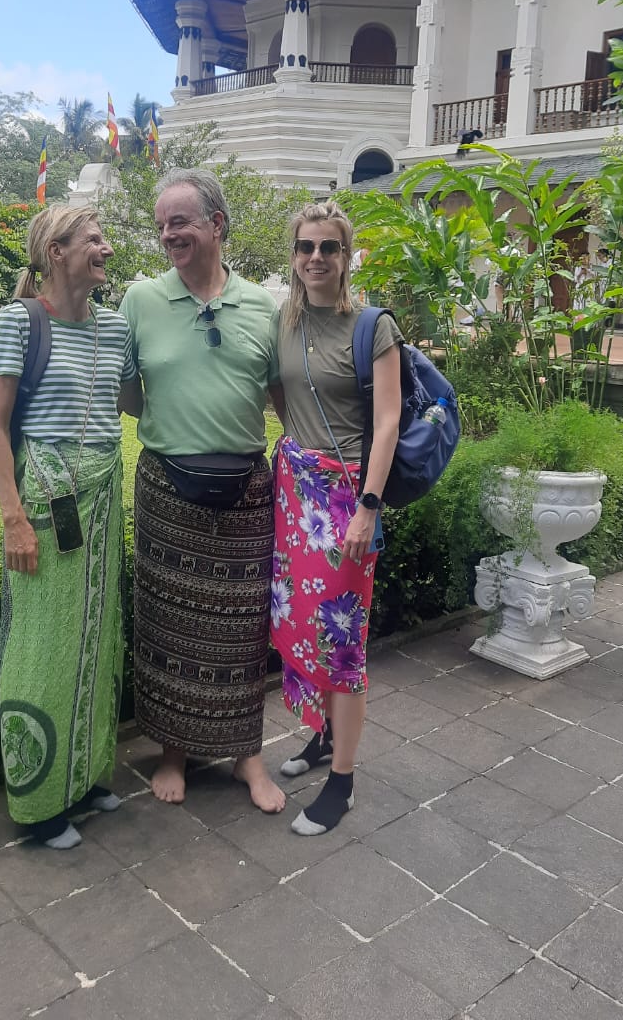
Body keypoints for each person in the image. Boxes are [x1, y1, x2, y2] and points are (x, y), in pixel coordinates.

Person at [119, 169, 286, 813]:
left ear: (217, 224)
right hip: (168, 486)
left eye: (181, 222)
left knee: (243, 631)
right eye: (162, 225)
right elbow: (126, 390)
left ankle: (248, 757)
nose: (169, 235)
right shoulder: (141, 302)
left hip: (245, 491)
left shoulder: (261, 307)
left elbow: (280, 396)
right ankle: (172, 753)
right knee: (167, 628)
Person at [0, 205, 136, 849]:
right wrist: (13, 518)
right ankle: (40, 802)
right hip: (44, 504)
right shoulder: (21, 321)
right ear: (56, 252)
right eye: (92, 240)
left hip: (101, 500)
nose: (104, 248)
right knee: (41, 648)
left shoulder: (118, 327)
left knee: (99, 640)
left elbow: (134, 402)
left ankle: (87, 776)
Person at [271, 202, 401, 835]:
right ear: (293, 256)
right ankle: (320, 738)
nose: (316, 258)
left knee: (341, 641)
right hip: (294, 497)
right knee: (302, 627)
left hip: (348, 499)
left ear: (346, 257)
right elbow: (280, 394)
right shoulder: (285, 324)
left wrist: (367, 508)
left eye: (329, 247)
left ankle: (342, 782)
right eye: (306, 247)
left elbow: (388, 423)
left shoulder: (372, 326)